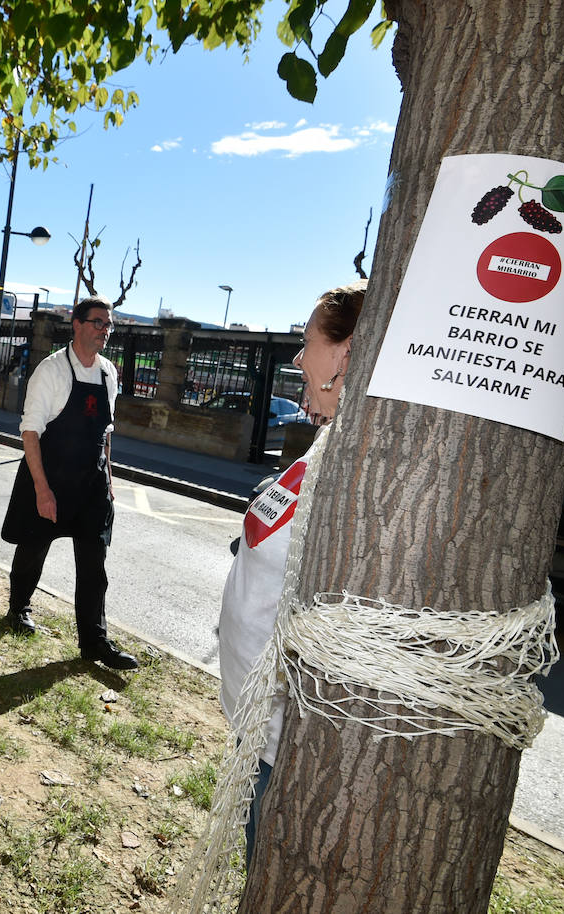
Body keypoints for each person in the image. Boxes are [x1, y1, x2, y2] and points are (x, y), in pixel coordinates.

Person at [217, 280, 365, 858]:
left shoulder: (356, 462)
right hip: (259, 727)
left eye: (308, 343)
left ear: (347, 354)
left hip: (286, 744)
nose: (300, 360)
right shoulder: (328, 443)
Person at [0, 297, 137, 671]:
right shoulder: (52, 371)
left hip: (91, 483)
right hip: (51, 476)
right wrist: (42, 490)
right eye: (97, 323)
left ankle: (94, 642)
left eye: (108, 325)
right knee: (33, 547)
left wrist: (108, 480)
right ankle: (18, 608)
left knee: (95, 563)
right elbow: (30, 432)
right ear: (76, 325)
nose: (104, 331)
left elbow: (106, 432)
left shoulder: (109, 373)